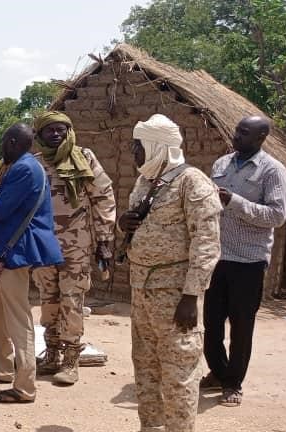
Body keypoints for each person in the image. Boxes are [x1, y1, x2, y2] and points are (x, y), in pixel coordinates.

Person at [119, 114, 221, 432]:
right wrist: (125, 224)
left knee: (178, 375)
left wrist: (191, 296)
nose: (134, 152)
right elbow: (142, 228)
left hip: (176, 297)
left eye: (139, 146)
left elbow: (207, 244)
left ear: (157, 146)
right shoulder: (145, 182)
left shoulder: (193, 183)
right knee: (145, 369)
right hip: (142, 292)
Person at [0, 124, 63, 404]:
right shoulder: (25, 166)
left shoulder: (24, 169)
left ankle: (25, 387)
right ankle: (2, 368)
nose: (1, 148)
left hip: (13, 254)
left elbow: (1, 211)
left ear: (14, 142)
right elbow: (12, 203)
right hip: (6, 253)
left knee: (18, 319)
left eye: (4, 142)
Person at [202, 116, 286, 407]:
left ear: (261, 137)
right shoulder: (221, 164)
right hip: (216, 256)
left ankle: (233, 383)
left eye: (244, 132)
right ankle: (218, 371)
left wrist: (235, 202)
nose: (236, 135)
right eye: (237, 129)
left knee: (241, 326)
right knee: (211, 323)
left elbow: (276, 216)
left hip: (249, 261)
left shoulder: (273, 171)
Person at [30, 112, 116, 385]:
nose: (56, 134)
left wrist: (104, 241)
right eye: (50, 130)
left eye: (61, 129)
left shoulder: (84, 158)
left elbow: (103, 198)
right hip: (43, 245)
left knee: (72, 299)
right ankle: (52, 353)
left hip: (76, 245)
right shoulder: (34, 164)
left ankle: (70, 359)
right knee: (48, 299)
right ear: (39, 135)